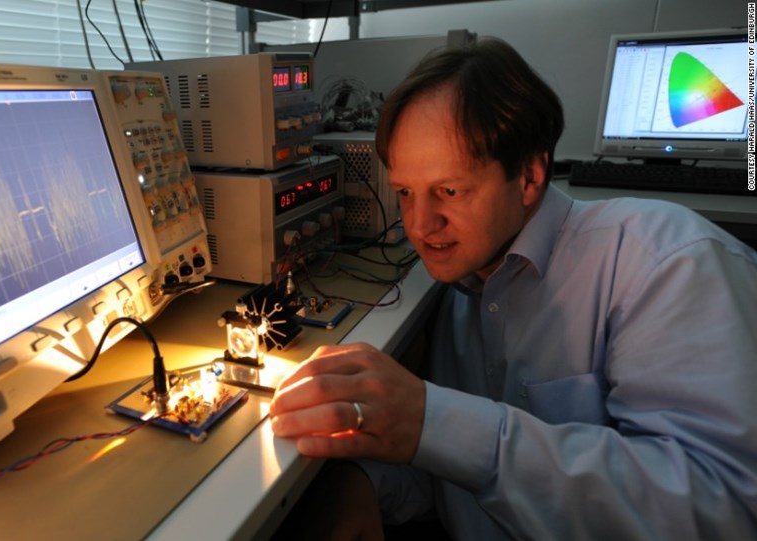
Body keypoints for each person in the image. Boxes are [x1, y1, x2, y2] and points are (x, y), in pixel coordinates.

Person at [269, 36, 757, 540]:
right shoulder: (461, 285)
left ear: (529, 176)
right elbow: (463, 479)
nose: (419, 225)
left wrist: (432, 421)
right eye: (405, 193)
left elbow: (724, 508)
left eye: (450, 191)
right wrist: (367, 484)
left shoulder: (666, 262)